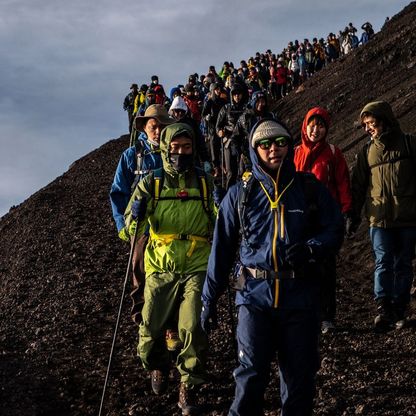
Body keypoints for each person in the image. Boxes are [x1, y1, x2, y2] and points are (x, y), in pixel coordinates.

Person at [201, 119, 344, 416]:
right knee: (250, 376)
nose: (273, 149)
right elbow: (222, 249)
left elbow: (335, 228)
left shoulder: (308, 188)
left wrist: (310, 248)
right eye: (265, 144)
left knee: (298, 382)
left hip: (300, 298)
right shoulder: (240, 195)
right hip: (254, 298)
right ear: (255, 149)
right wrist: (208, 299)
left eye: (280, 142)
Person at [124, 122, 217, 415]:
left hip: (197, 264)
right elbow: (130, 229)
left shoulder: (204, 183)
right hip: (161, 265)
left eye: (186, 148)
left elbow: (221, 223)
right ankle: (159, 365)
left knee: (192, 326)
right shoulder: (151, 183)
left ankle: (188, 384)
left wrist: (221, 204)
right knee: (149, 331)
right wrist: (135, 215)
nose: (180, 153)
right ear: (165, 149)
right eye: (175, 148)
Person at [349, 101, 416, 331]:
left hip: (407, 217)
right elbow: (357, 185)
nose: (368, 128)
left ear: (384, 119)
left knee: (403, 264)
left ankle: (400, 308)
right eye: (365, 124)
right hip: (378, 219)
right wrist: (352, 214)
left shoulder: (409, 143)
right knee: (383, 262)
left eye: (371, 122)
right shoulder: (367, 152)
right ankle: (384, 308)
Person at [109, 104, 173, 326]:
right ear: (144, 128)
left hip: (169, 226)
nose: (158, 131)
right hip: (142, 227)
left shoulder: (176, 153)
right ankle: (142, 320)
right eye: (154, 126)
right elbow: (118, 193)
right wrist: (122, 227)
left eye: (162, 127)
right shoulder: (130, 156)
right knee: (139, 271)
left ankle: (168, 326)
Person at [294, 107, 352, 334]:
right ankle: (305, 314)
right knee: (300, 266)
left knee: (326, 268)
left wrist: (346, 211)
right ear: (305, 125)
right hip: (299, 217)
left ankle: (327, 317)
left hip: (325, 219)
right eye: (312, 124)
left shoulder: (333, 153)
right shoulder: (295, 152)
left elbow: (342, 184)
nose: (315, 130)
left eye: (320, 125)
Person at [216, 83, 246, 189]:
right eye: (235, 94)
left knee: (243, 172)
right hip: (229, 142)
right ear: (231, 96)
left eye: (239, 94)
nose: (237, 96)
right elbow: (218, 126)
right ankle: (228, 196)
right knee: (230, 172)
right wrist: (220, 132)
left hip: (243, 143)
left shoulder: (246, 108)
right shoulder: (225, 108)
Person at [201, 82, 228, 177]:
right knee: (214, 148)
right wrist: (207, 117)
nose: (218, 91)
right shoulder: (209, 102)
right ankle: (216, 167)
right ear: (212, 90)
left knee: (225, 147)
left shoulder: (223, 101)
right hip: (212, 128)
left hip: (222, 127)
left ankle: (224, 165)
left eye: (219, 89)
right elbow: (203, 114)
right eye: (216, 89)